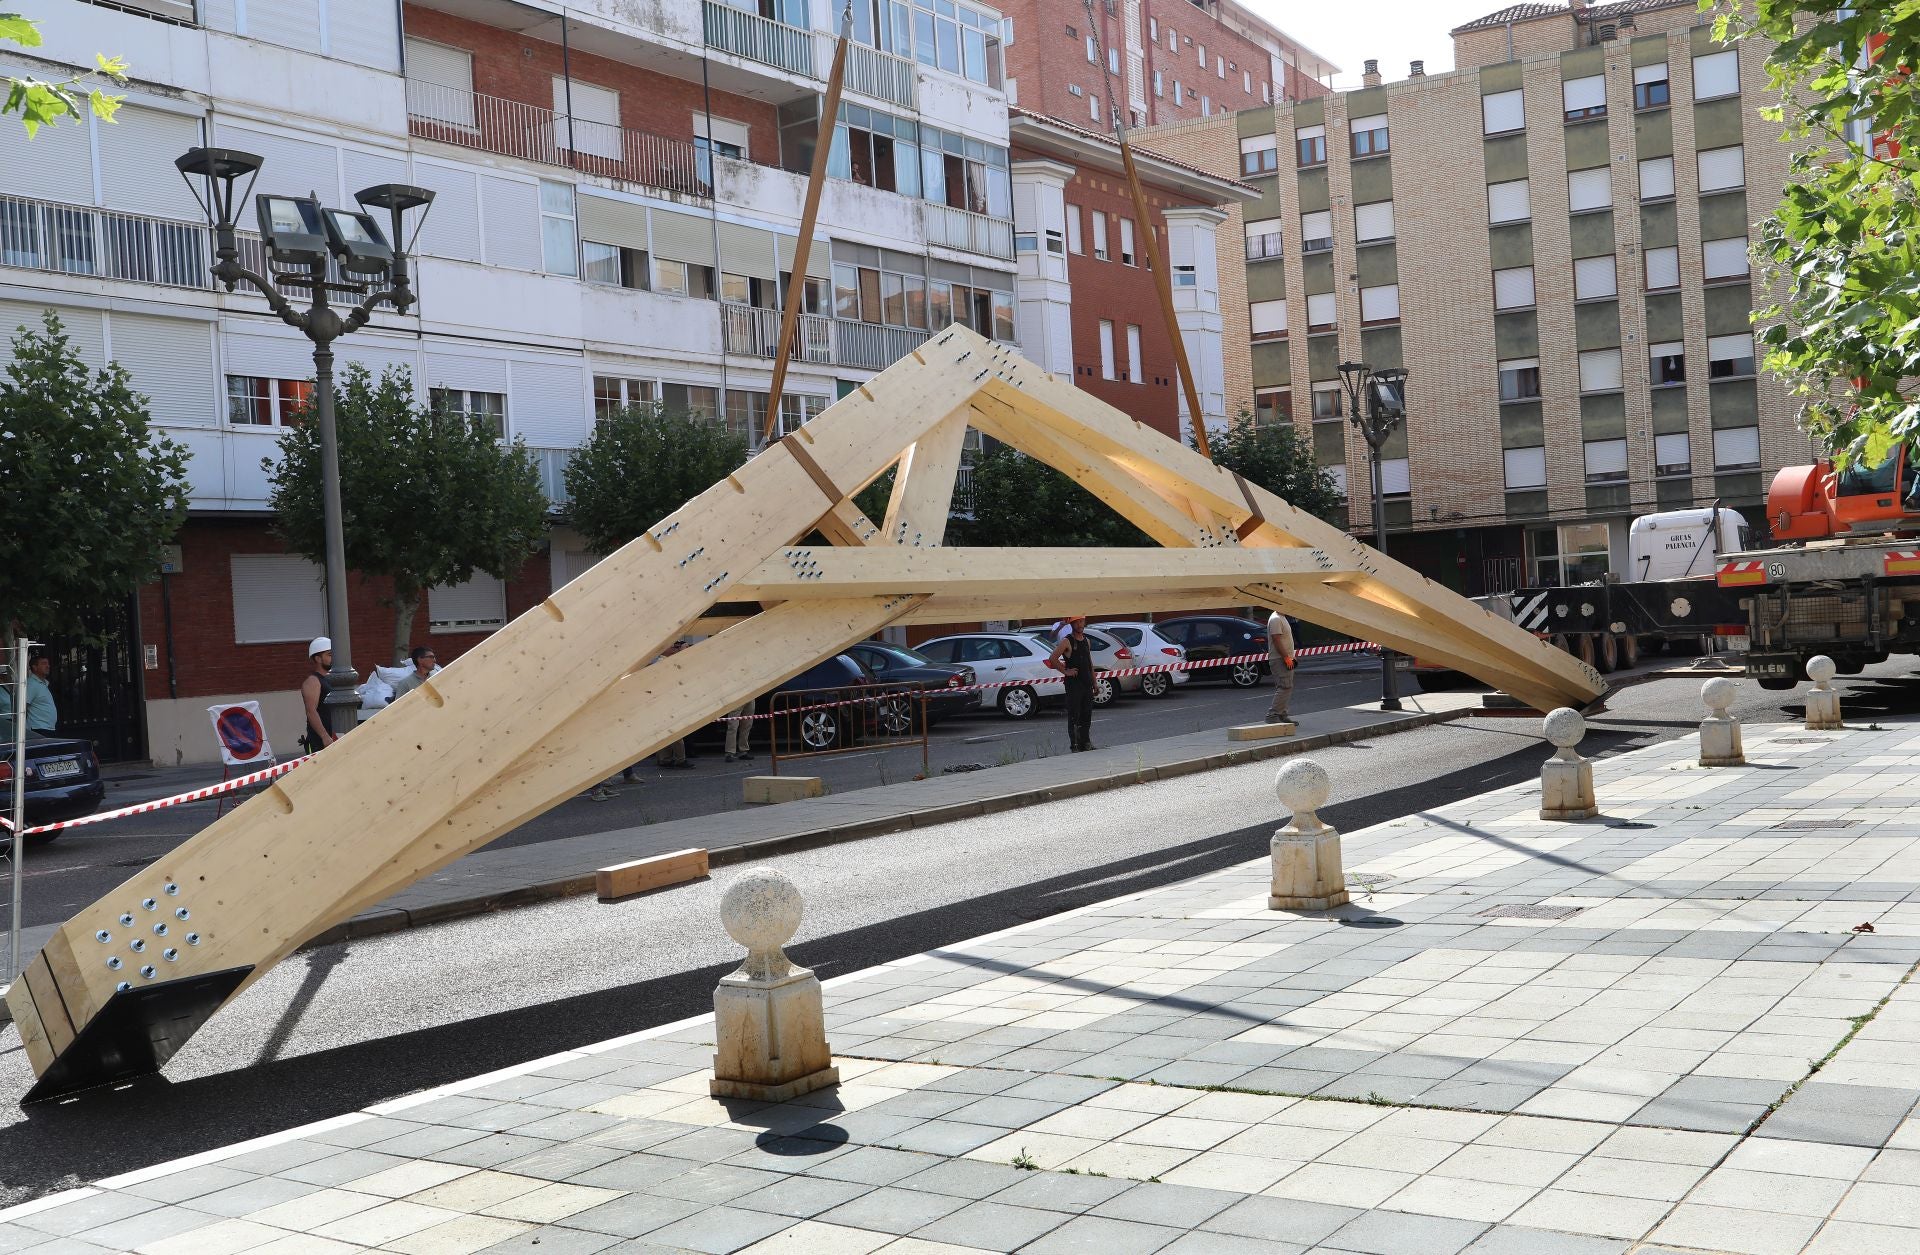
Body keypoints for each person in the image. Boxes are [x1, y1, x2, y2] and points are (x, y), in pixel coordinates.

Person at [1046, 614, 1097, 753]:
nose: (1080, 624)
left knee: (1087, 714)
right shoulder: (1067, 641)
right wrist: (1066, 671)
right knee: (1075, 715)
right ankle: (1074, 745)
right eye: (1077, 622)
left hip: (1086, 683)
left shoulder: (1087, 640)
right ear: (1072, 624)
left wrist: (1095, 683)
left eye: (1082, 621)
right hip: (1074, 685)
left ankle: (1086, 743)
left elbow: (1089, 663)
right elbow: (1053, 658)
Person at [656, 639, 694, 769]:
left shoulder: (667, 660)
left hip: (667, 701)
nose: (675, 649)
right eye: (673, 646)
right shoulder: (662, 662)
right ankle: (680, 759)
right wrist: (682, 653)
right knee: (676, 732)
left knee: (666, 732)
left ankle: (665, 759)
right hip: (667, 702)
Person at [300, 636, 338, 753]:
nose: (334, 658)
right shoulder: (313, 681)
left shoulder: (334, 680)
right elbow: (311, 711)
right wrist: (325, 736)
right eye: (330, 655)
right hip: (320, 743)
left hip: (336, 738)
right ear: (318, 658)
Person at [1265, 609, 1297, 724]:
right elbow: (1276, 639)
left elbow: (1285, 639)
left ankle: (1282, 714)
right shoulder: (1276, 619)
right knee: (1285, 686)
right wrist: (1286, 657)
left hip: (1284, 658)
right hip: (1280, 660)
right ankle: (1272, 715)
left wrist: (1291, 656)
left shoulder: (1282, 617)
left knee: (1286, 687)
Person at [724, 696, 755, 763]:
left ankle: (743, 751)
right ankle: (730, 753)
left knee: (747, 726)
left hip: (750, 695)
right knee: (733, 726)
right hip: (737, 696)